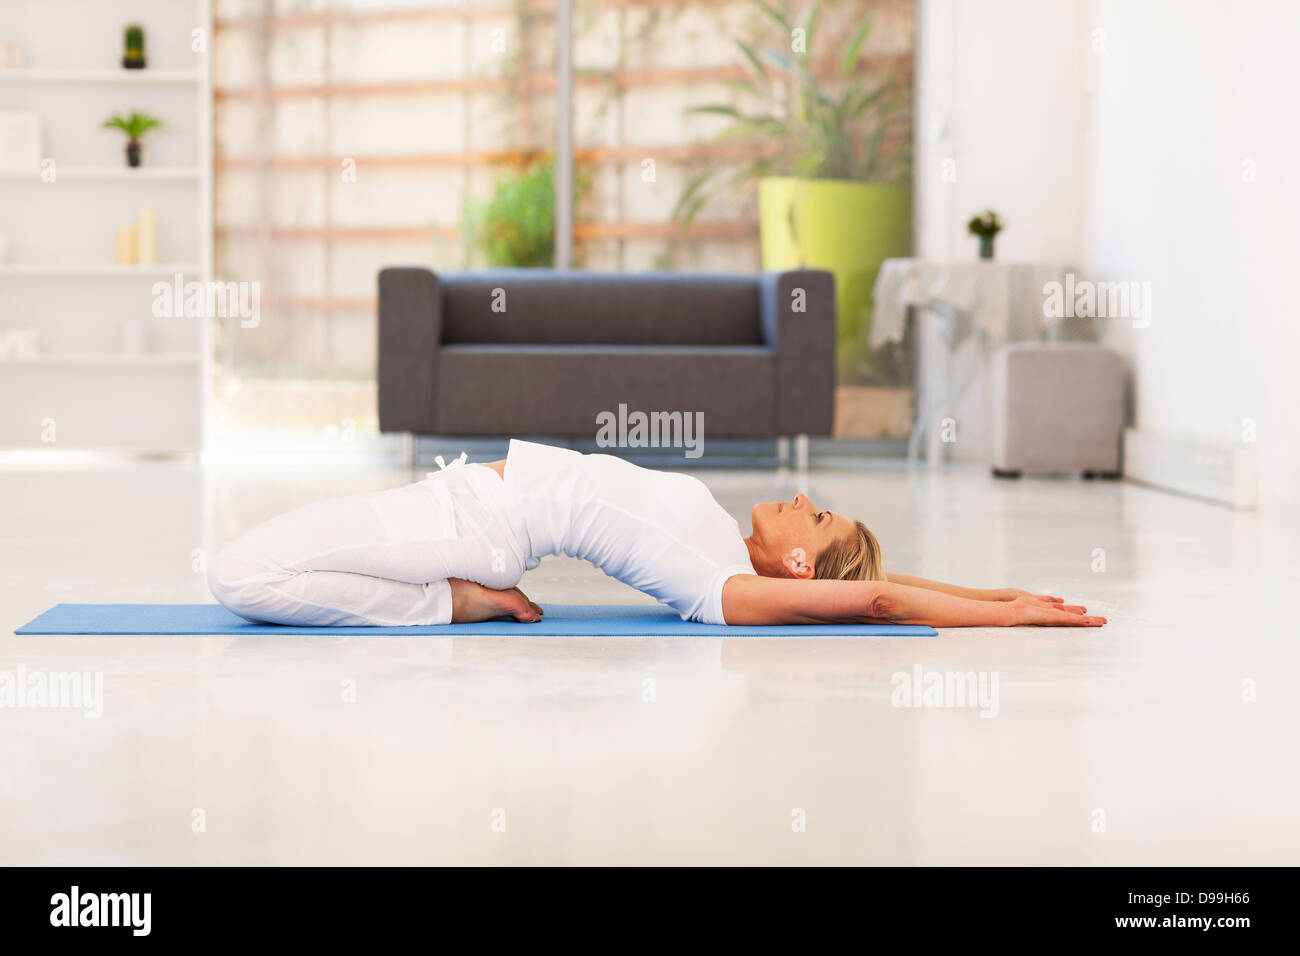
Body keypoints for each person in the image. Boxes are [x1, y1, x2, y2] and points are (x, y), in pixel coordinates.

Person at [208, 439, 1105, 629]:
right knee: (247, 567)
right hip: (452, 504)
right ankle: (451, 600)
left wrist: (1014, 619)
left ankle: (449, 606)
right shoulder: (721, 542)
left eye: (816, 516)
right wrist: (998, 590)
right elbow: (880, 579)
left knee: (238, 576)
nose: (801, 496)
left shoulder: (727, 588)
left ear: (799, 564)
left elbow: (872, 594)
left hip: (464, 525)